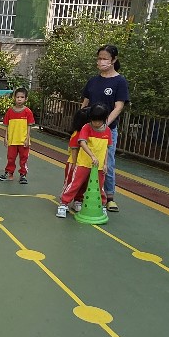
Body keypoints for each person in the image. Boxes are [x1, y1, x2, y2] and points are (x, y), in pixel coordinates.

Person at [79, 45, 128, 212]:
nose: (101, 61)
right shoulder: (93, 81)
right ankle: (82, 194)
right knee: (85, 160)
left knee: (107, 162)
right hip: (89, 129)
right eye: (99, 58)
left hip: (107, 130)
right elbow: (85, 103)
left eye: (105, 58)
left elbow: (119, 106)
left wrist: (105, 124)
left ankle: (109, 197)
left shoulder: (120, 82)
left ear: (113, 60)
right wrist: (80, 123)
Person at [57, 106, 111, 218]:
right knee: (75, 183)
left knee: (99, 186)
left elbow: (106, 148)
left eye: (99, 121)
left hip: (99, 166)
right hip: (83, 163)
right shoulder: (86, 127)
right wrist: (92, 156)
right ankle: (63, 204)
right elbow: (82, 142)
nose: (96, 123)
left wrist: (105, 164)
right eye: (94, 120)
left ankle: (102, 205)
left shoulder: (107, 131)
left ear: (104, 119)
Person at [0, 88, 36, 184]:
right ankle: (9, 173)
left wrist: (27, 138)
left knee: (24, 158)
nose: (19, 99)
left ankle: (23, 175)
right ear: (14, 98)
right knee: (10, 158)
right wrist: (5, 138)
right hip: (12, 140)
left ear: (26, 99)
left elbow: (29, 126)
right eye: (18, 97)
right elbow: (7, 126)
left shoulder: (28, 112)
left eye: (22, 97)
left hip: (23, 141)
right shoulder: (10, 111)